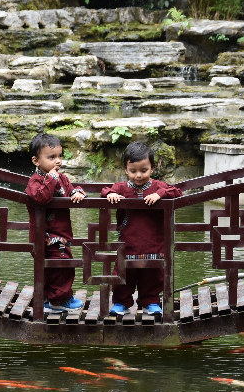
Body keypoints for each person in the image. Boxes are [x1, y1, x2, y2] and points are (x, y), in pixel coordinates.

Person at [102, 142, 182, 316]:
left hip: (153, 244)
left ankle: (150, 301)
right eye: (133, 171)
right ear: (126, 169)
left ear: (152, 168)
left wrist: (160, 194)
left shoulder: (158, 186)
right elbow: (105, 191)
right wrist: (111, 194)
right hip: (128, 243)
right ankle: (121, 302)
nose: (138, 175)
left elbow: (177, 192)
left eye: (143, 170)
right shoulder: (121, 187)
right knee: (123, 273)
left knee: (152, 275)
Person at [25, 133, 86, 312]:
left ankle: (47, 299)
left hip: (60, 233)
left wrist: (77, 193)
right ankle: (59, 300)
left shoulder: (62, 178)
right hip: (45, 235)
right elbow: (41, 197)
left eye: (60, 156)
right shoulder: (35, 181)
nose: (58, 161)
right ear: (36, 161)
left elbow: (71, 189)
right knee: (61, 266)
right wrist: (51, 179)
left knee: (56, 267)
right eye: (51, 157)